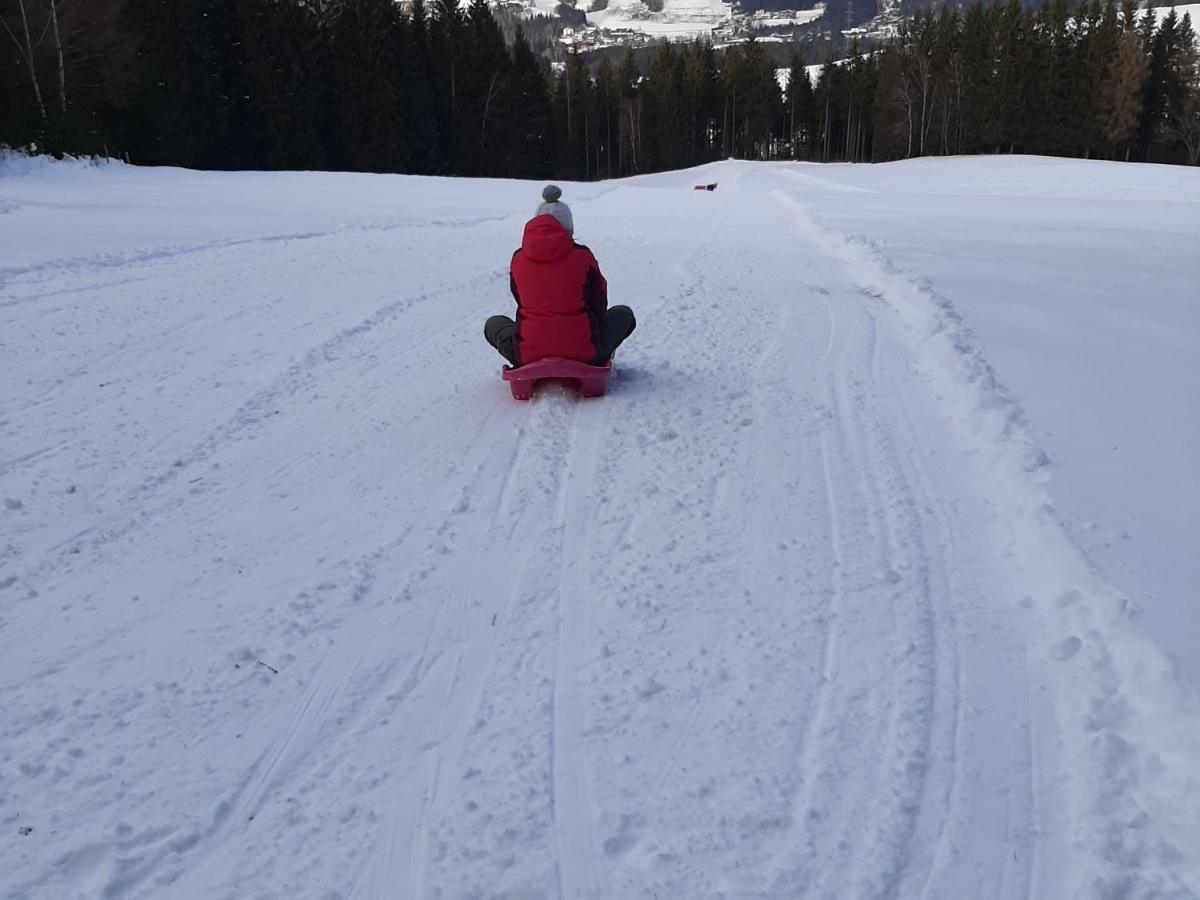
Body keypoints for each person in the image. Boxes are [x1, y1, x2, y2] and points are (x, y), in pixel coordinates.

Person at [485, 185, 635, 368]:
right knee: (623, 314)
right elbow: (599, 302)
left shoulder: (518, 259)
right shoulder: (583, 257)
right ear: (568, 229)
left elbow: (521, 301)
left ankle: (533, 350)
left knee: (494, 323)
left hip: (528, 353)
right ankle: (599, 354)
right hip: (585, 352)